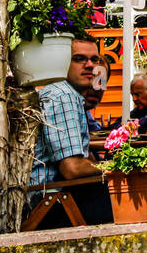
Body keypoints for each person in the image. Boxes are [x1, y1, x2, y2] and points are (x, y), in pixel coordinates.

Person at [30, 37, 113, 227]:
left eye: (95, 59)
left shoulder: (65, 94)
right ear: (60, 62)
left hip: (54, 196)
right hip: (52, 203)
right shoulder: (63, 95)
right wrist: (117, 167)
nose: (90, 65)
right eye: (79, 58)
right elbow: (72, 168)